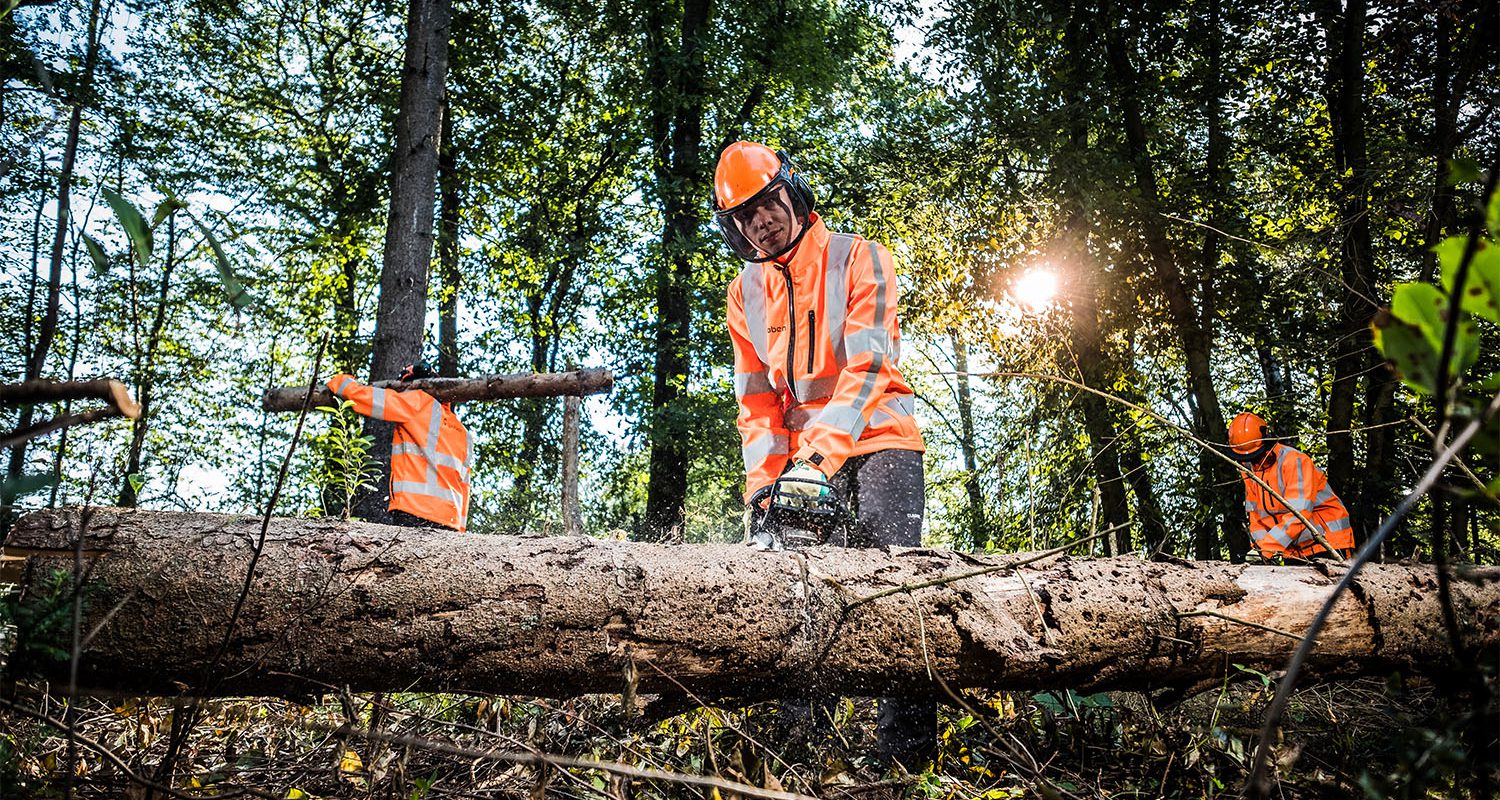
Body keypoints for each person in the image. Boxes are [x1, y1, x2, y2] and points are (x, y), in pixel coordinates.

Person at [713, 140, 932, 769]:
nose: (760, 221)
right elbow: (756, 403)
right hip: (800, 465)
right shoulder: (742, 293)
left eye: (766, 203)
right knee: (801, 597)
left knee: (899, 589)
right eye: (744, 216)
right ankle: (800, 754)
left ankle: (904, 764)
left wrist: (816, 463)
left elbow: (867, 370)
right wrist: (764, 485)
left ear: (792, 190)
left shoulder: (860, 258)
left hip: (878, 441)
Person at [326, 362, 471, 531]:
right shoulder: (463, 432)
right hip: (449, 521)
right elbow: (465, 486)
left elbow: (364, 398)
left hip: (414, 511)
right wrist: (461, 530)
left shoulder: (417, 402)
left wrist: (341, 382)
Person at [1227, 412, 1354, 561]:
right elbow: (1256, 517)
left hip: (1327, 543)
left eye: (1255, 457)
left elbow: (1299, 513)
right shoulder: (1249, 470)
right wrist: (1260, 549)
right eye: (1246, 459)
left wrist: (1268, 547)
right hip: (1292, 550)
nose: (1252, 462)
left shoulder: (1295, 462)